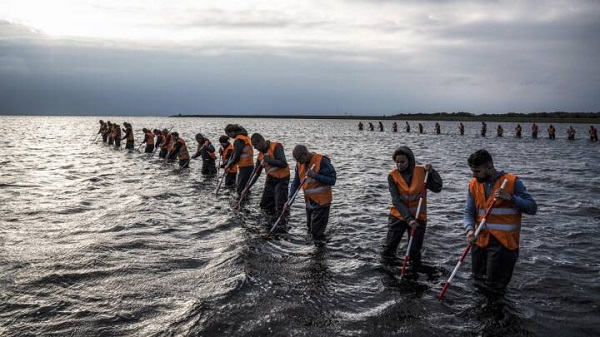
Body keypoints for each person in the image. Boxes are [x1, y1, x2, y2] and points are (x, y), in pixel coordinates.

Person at [464, 149, 537, 299]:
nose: (473, 175)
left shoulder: (512, 182)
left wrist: (511, 198)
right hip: (479, 241)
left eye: (477, 171)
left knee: (494, 289)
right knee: (477, 283)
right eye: (472, 171)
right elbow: (468, 212)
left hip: (504, 245)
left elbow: (532, 207)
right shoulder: (473, 184)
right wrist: (469, 230)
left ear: (489, 167)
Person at [382, 146, 443, 272]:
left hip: (418, 217)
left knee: (414, 252)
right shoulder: (392, 176)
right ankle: (388, 271)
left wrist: (432, 172)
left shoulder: (422, 172)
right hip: (398, 216)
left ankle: (413, 271)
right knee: (389, 248)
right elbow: (396, 200)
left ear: (410, 161)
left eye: (402, 162)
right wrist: (408, 219)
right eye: (397, 162)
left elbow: (437, 188)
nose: (399, 165)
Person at [289, 145, 336, 244]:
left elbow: (332, 180)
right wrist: (290, 200)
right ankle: (314, 254)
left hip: (322, 203)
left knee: (316, 234)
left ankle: (320, 253)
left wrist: (315, 175)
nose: (299, 162)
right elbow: (296, 182)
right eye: (297, 160)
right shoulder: (299, 164)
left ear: (305, 154)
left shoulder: (322, 161)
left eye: (299, 159)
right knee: (310, 229)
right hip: (310, 203)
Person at [249, 133, 290, 231]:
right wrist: (247, 187)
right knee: (264, 204)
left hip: (282, 179)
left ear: (260, 141)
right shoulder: (260, 155)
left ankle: (281, 227)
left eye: (255, 145)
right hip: (270, 179)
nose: (255, 148)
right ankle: (268, 224)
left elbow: (283, 163)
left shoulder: (276, 147)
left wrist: (269, 161)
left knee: (280, 206)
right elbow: (256, 173)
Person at [224, 124, 254, 198]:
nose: (229, 137)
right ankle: (246, 200)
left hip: (245, 166)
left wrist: (228, 165)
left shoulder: (239, 140)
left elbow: (236, 157)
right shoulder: (245, 137)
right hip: (249, 165)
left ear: (232, 132)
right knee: (245, 186)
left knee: (240, 187)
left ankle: (239, 200)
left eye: (228, 134)